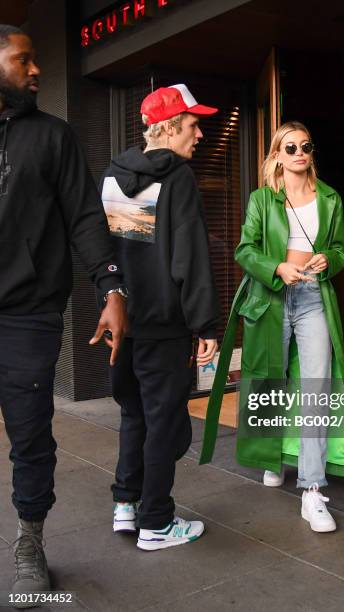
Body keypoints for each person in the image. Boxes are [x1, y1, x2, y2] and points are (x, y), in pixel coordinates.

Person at [0, 25, 128, 601]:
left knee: (30, 434)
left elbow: (83, 217)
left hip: (27, 313)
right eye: (24, 60)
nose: (36, 71)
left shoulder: (54, 137)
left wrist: (111, 290)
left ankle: (30, 537)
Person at [200, 121, 344, 532]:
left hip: (314, 297)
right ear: (276, 154)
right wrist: (276, 266)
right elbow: (245, 249)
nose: (299, 152)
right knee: (269, 382)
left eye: (305, 146)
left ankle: (312, 490)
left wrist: (330, 258)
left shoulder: (329, 197)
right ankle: (272, 458)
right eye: (289, 147)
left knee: (316, 385)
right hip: (270, 298)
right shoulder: (262, 199)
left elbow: (341, 250)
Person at [101, 84, 220, 551]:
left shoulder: (114, 176)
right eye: (193, 125)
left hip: (124, 321)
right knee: (163, 419)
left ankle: (126, 506)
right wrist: (204, 324)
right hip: (165, 325)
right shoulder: (178, 179)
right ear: (169, 127)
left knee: (135, 414)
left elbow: (113, 251)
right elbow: (187, 259)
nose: (200, 134)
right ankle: (157, 522)